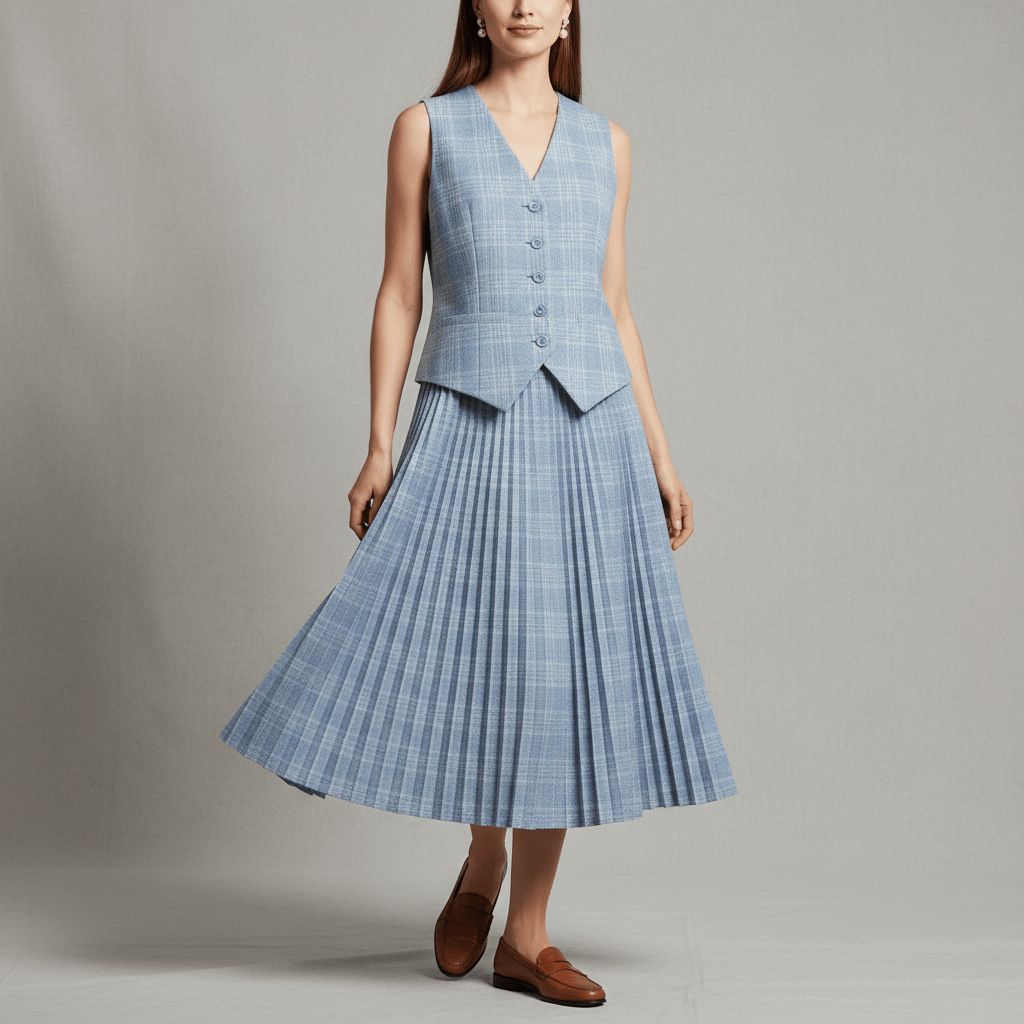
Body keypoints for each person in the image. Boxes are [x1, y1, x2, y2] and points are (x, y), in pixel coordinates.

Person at [220, 0, 737, 1008]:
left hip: (588, 431)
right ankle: (481, 864)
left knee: (558, 668)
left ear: (573, 7)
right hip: (470, 418)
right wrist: (377, 443)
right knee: (487, 653)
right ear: (474, 8)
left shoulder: (608, 145)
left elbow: (614, 307)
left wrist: (661, 455)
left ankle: (529, 936)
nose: (526, 4)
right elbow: (399, 292)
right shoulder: (427, 126)